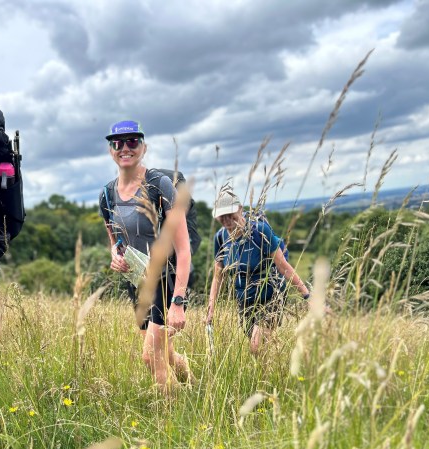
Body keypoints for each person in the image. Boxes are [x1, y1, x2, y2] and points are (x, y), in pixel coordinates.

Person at [99, 120, 192, 391]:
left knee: (151, 356)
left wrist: (178, 301)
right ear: (110, 150)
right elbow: (115, 243)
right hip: (137, 284)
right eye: (118, 143)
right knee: (167, 353)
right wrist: (115, 257)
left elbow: (184, 248)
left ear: (143, 147)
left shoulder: (158, 185)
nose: (125, 148)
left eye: (132, 142)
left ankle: (172, 416)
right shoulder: (106, 194)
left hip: (166, 280)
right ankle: (193, 387)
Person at [206, 188, 311, 354]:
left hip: (271, 294)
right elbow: (218, 277)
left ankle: (268, 375)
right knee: (258, 345)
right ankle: (273, 367)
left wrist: (307, 296)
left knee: (256, 346)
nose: (226, 220)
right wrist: (211, 306)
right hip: (245, 299)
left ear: (240, 209)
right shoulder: (220, 238)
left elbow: (283, 266)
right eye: (221, 216)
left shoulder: (259, 231)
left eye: (230, 214)